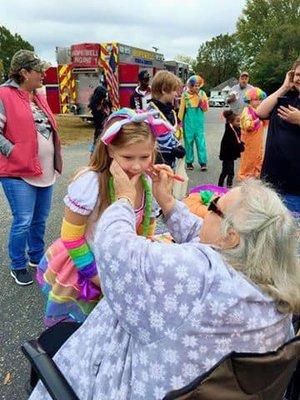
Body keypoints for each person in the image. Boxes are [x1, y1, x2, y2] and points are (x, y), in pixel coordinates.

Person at [30, 177, 299, 400]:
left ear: (231, 235)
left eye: (214, 206)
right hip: (207, 385)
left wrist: (124, 198)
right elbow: (209, 239)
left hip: (136, 384)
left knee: (53, 341)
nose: (206, 210)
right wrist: (168, 203)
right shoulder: (274, 281)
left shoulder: (202, 276)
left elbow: (117, 251)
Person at [36, 108, 170, 326]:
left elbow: (147, 229)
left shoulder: (147, 184)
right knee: (80, 326)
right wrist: (100, 279)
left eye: (145, 157)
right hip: (87, 266)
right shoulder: (91, 183)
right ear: (110, 151)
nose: (137, 166)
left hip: (121, 267)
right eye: (127, 157)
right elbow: (71, 238)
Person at [0, 50, 62, 286]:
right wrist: (12, 151)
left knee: (40, 218)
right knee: (23, 219)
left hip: (43, 170)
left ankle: (36, 257)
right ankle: (18, 264)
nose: (44, 74)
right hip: (17, 171)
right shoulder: (4, 94)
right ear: (24, 72)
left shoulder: (38, 96)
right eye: (39, 70)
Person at [256, 59, 300, 218]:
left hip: (295, 188)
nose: (298, 78)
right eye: (297, 74)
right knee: (269, 230)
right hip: (270, 181)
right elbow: (260, 111)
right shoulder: (286, 96)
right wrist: (284, 87)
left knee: (293, 235)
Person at [147, 70, 186, 169]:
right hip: (158, 162)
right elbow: (154, 140)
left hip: (170, 161)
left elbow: (171, 135)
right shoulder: (152, 112)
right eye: (174, 90)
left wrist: (178, 145)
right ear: (164, 90)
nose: (176, 94)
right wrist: (172, 150)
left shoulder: (169, 111)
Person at [178, 75, 209, 171]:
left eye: (198, 85)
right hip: (188, 123)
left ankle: (203, 163)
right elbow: (182, 109)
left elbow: (206, 109)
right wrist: (179, 123)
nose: (196, 87)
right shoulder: (185, 95)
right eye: (194, 85)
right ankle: (189, 162)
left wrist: (201, 100)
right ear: (190, 86)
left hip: (199, 123)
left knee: (201, 142)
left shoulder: (203, 93)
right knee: (188, 142)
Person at [237, 87, 267, 181]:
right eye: (256, 99)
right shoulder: (247, 111)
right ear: (250, 100)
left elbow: (265, 123)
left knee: (258, 156)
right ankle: (244, 175)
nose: (259, 102)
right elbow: (247, 126)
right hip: (248, 141)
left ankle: (256, 173)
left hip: (257, 141)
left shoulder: (259, 110)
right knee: (248, 158)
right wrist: (258, 120)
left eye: (260, 99)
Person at [218, 110, 243, 188]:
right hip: (227, 155)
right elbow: (236, 142)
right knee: (225, 171)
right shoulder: (229, 129)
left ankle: (229, 184)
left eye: (240, 121)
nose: (239, 123)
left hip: (230, 155)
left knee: (231, 171)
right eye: (237, 121)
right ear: (230, 122)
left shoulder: (235, 129)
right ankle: (220, 185)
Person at [88, 85, 112, 154]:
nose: (106, 97)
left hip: (108, 128)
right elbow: (99, 119)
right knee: (97, 149)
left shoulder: (106, 104)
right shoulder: (96, 107)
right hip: (100, 130)